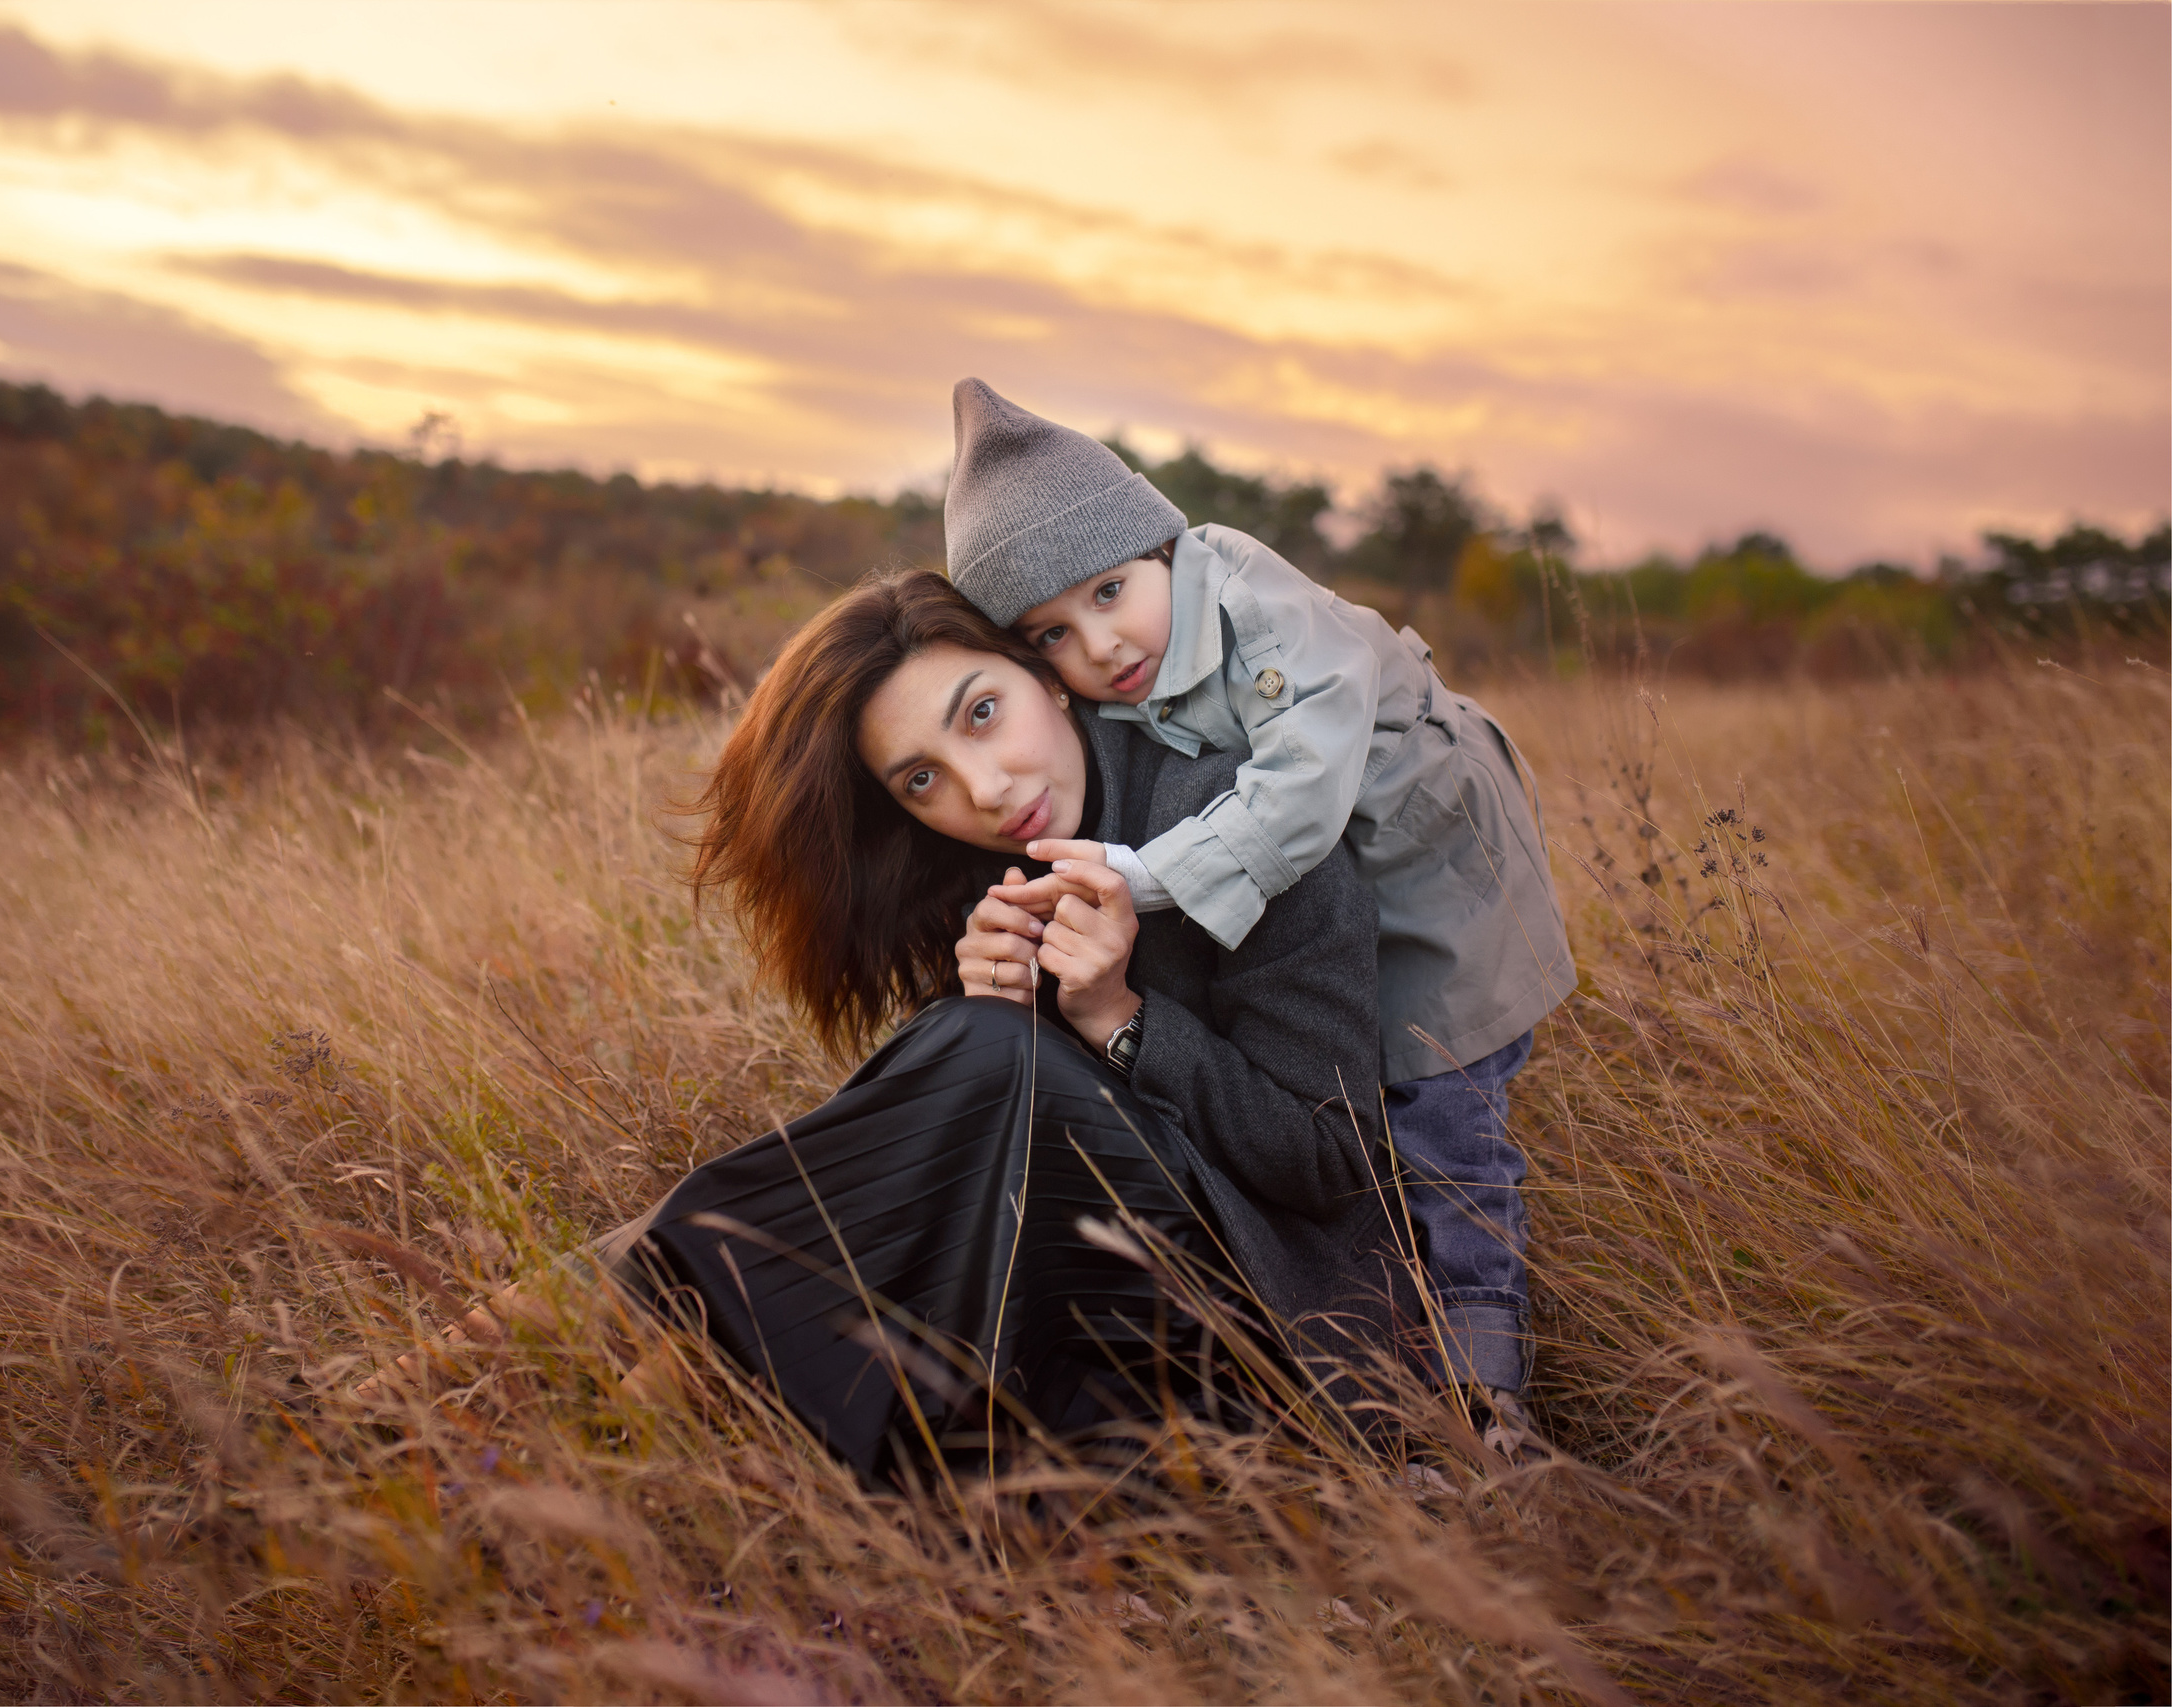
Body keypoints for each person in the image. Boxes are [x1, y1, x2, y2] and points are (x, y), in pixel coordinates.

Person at [369, 571, 1419, 1489]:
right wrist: (996, 1009)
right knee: (949, 1081)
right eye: (921, 779)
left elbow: (1332, 1161)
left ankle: (419, 1421)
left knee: (963, 1072)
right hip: (1062, 1334)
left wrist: (1113, 1018)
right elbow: (962, 1160)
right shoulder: (997, 876)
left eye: (980, 713)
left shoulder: (1249, 825)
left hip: (1271, 1341)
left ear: (1046, 675)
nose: (983, 787)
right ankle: (469, 1444)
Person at [940, 378, 1575, 1441]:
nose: (1095, 648)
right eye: (1048, 635)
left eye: (1106, 593)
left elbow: (1294, 800)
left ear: (1163, 546)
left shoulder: (1262, 609)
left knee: (1444, 1122)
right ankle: (1397, 1349)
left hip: (1439, 878)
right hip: (1351, 895)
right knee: (1355, 1092)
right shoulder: (1130, 680)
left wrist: (1131, 876)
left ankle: (1485, 1398)